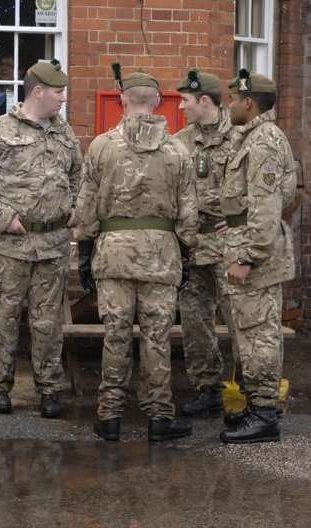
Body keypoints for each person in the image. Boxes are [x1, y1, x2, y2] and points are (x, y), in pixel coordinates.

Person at [71, 69, 199, 442]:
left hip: (113, 256)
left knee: (116, 334)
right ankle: (159, 415)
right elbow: (189, 216)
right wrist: (185, 251)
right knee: (157, 337)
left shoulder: (101, 147)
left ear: (123, 100)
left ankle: (109, 414)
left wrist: (85, 245)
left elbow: (86, 210)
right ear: (158, 102)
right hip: (161, 255)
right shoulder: (178, 151)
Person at [0, 59, 82, 418]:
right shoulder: (0, 131)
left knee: (48, 323)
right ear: (38, 92)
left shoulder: (64, 134)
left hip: (53, 246)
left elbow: (79, 174)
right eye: (58, 91)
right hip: (9, 246)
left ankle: (49, 389)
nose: (63, 97)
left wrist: (75, 208)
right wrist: (2, 217)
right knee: (5, 318)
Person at [218, 69, 297, 443]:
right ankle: (255, 405)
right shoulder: (253, 136)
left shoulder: (263, 140)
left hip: (257, 256)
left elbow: (267, 206)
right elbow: (250, 202)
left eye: (233, 99)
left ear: (248, 103)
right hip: (246, 240)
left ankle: (265, 414)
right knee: (249, 333)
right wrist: (232, 224)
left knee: (259, 334)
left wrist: (248, 255)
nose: (229, 104)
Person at [174, 69, 241, 418]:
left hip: (227, 245)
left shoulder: (242, 138)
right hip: (192, 243)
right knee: (195, 320)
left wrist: (239, 222)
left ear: (204, 101)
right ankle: (207, 388)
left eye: (185, 101)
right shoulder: (180, 141)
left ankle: (249, 392)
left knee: (239, 320)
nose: (181, 107)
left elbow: (266, 189)